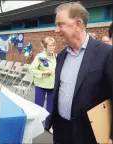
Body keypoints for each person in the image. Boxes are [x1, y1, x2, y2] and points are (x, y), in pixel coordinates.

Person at [48, 2, 112, 144]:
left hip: (89, 134)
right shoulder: (61, 55)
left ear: (78, 23)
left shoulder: (106, 53)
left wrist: (111, 136)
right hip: (61, 130)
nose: (56, 30)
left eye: (60, 24)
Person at [29, 36, 56, 134]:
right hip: (40, 85)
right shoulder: (39, 56)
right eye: (50, 46)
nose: (52, 48)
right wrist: (43, 73)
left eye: (53, 45)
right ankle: (34, 126)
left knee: (50, 108)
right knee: (38, 106)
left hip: (52, 86)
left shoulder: (55, 57)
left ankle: (48, 126)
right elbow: (31, 69)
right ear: (45, 47)